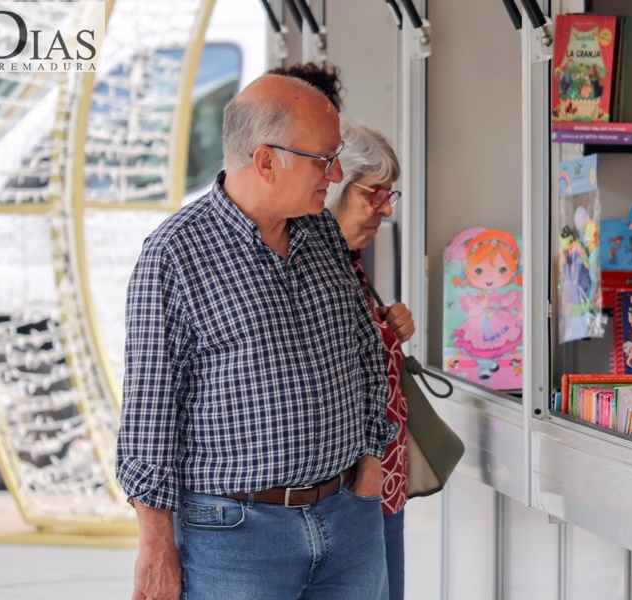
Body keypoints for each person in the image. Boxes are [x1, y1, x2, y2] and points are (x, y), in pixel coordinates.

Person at [116, 74, 396, 600]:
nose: (335, 174)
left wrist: (370, 463)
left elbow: (364, 352)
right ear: (266, 160)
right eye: (323, 159)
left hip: (348, 521)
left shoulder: (321, 233)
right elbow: (149, 415)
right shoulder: (175, 255)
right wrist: (155, 546)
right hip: (233, 539)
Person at [273, 62, 415, 600]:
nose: (382, 211)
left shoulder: (353, 263)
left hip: (380, 482)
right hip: (351, 489)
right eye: (371, 195)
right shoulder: (309, 263)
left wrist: (387, 326)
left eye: (388, 197)